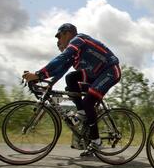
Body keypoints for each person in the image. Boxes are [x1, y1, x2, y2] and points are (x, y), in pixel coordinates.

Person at [22, 23, 121, 156]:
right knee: (70, 79)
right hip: (95, 74)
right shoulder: (74, 54)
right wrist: (48, 84)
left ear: (68, 33)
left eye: (59, 37)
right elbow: (61, 70)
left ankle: (96, 141)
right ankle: (83, 114)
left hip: (110, 71)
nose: (58, 41)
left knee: (88, 102)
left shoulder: (78, 39)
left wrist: (38, 74)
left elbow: (61, 58)